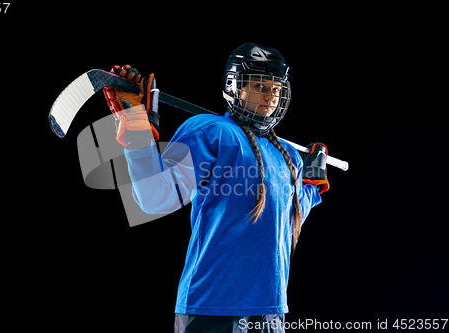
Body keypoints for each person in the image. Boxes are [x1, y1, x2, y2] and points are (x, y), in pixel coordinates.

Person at [103, 43, 330, 333]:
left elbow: (285, 221)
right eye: (259, 85)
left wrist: (310, 183)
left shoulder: (288, 154)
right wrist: (136, 131)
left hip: (271, 312)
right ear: (235, 87)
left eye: (275, 88)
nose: (270, 95)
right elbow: (155, 198)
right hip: (211, 308)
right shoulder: (212, 132)